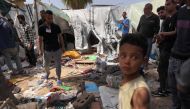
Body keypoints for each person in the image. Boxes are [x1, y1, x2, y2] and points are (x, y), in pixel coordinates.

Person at [118, 33, 150, 109]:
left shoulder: (139, 92)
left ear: (144, 61)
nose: (127, 61)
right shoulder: (126, 80)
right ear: (118, 56)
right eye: (123, 55)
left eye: (134, 57)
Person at [153, 0, 178, 97]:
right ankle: (165, 88)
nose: (160, 14)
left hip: (168, 49)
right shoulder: (164, 21)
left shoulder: (170, 20)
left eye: (162, 12)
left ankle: (163, 90)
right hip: (164, 48)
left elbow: (172, 35)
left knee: (162, 69)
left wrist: (160, 37)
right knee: (164, 69)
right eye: (158, 13)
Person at [168, 0, 190, 108]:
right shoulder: (181, 10)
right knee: (173, 87)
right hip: (174, 54)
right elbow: (178, 32)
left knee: (184, 95)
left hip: (186, 59)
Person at [38, 10, 64, 86]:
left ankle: (58, 78)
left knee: (58, 64)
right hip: (47, 50)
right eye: (49, 18)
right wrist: (40, 49)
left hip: (57, 48)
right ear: (45, 17)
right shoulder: (41, 27)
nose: (50, 20)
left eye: (51, 18)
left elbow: (60, 37)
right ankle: (47, 73)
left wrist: (63, 47)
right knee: (46, 65)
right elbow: (40, 39)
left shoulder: (56, 27)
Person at [137, 3, 160, 68]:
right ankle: (139, 64)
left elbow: (157, 28)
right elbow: (139, 27)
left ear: (150, 9)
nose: (144, 9)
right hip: (141, 37)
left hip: (149, 38)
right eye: (144, 8)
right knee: (140, 51)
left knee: (147, 52)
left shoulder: (155, 17)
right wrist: (137, 35)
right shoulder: (142, 17)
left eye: (146, 8)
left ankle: (145, 66)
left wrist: (155, 37)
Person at [0, 7, 22, 74]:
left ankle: (13, 72)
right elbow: (12, 32)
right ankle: (20, 70)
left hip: (3, 45)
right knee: (16, 57)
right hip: (11, 44)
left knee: (8, 60)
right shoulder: (6, 22)